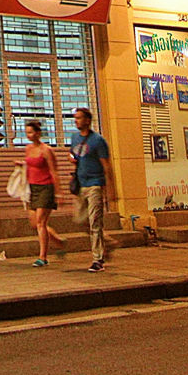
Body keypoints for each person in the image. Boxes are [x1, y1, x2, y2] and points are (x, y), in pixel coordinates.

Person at [68, 107, 112, 272]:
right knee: (80, 220)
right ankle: (106, 243)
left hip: (95, 184)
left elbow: (106, 165)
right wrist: (71, 158)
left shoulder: (98, 141)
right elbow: (72, 154)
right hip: (81, 184)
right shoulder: (74, 138)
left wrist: (109, 189)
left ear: (87, 120)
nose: (76, 120)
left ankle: (98, 259)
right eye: (75, 118)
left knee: (95, 221)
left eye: (79, 118)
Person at [20, 120, 62, 267]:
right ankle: (57, 241)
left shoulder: (46, 150)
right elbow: (29, 165)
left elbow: (53, 171)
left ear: (38, 133)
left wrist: (58, 193)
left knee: (40, 222)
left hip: (46, 187)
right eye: (27, 133)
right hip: (33, 188)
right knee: (34, 222)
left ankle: (42, 257)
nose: (29, 136)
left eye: (31, 132)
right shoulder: (28, 148)